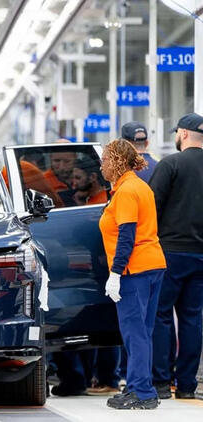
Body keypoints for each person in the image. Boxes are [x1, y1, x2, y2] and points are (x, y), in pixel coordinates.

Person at [99, 139, 166, 409]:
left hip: (134, 269)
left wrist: (116, 273)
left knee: (134, 332)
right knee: (143, 331)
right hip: (152, 264)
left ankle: (143, 392)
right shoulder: (139, 186)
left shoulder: (126, 191)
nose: (101, 165)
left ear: (116, 162)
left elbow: (127, 236)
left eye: (105, 160)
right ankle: (140, 386)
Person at [150, 112, 203, 400]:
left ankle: (161, 382)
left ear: (183, 134)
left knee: (161, 315)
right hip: (200, 255)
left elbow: (151, 208)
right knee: (192, 318)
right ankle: (186, 386)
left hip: (169, 252)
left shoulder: (171, 164)